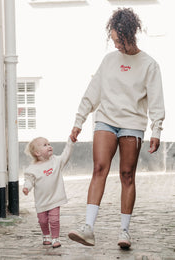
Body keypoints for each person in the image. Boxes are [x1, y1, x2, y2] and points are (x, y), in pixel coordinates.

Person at [68, 7, 165, 249]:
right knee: (99, 167)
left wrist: (157, 131)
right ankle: (88, 228)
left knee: (126, 175)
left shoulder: (149, 64)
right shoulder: (109, 60)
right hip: (106, 119)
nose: (115, 45)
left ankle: (124, 231)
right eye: (112, 40)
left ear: (130, 34)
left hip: (132, 124)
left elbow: (156, 100)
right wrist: (79, 121)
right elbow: (92, 92)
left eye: (118, 40)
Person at [23, 136, 74, 248]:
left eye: (49, 144)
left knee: (54, 220)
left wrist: (70, 142)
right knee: (42, 221)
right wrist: (26, 187)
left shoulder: (56, 161)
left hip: (55, 198)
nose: (49, 146)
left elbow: (66, 154)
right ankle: (46, 236)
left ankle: (55, 238)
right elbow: (29, 180)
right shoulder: (32, 169)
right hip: (41, 201)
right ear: (37, 153)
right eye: (45, 145)